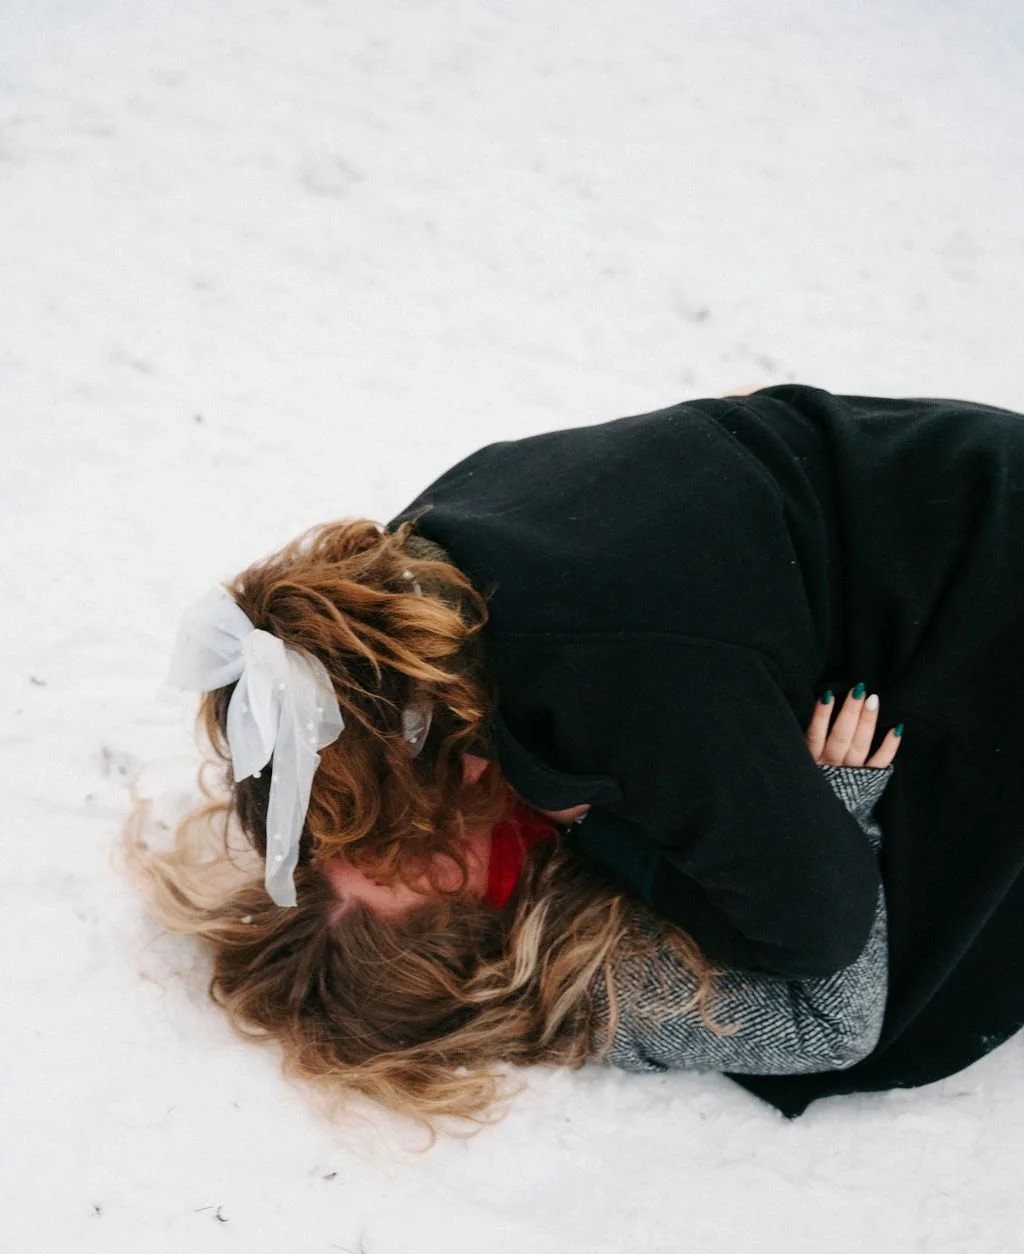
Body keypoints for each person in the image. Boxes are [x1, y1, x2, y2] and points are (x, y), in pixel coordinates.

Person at [131, 383, 1024, 1123]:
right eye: (425, 858)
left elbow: (818, 929)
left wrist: (601, 819)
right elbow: (824, 976)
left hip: (976, 569)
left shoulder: (608, 700)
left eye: (373, 833)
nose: (429, 827)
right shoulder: (413, 582)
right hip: (933, 471)